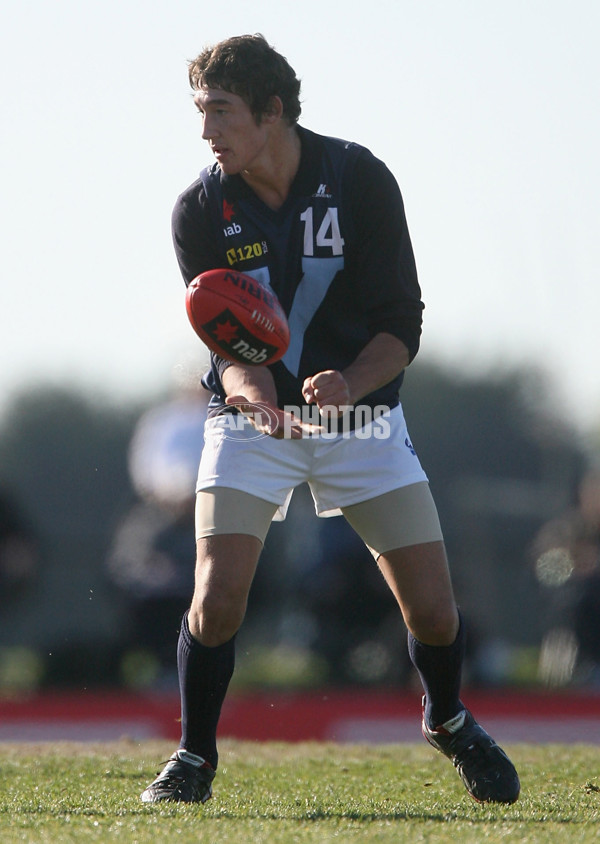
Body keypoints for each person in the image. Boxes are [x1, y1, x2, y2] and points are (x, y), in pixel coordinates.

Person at [142, 33, 519, 805]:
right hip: (252, 426)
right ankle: (193, 758)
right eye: (199, 111)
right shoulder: (199, 208)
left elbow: (401, 328)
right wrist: (253, 396)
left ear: (272, 112)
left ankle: (446, 717)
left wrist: (348, 383)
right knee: (215, 599)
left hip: (364, 423)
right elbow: (229, 345)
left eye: (221, 111)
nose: (206, 130)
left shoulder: (358, 178)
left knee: (436, 614)